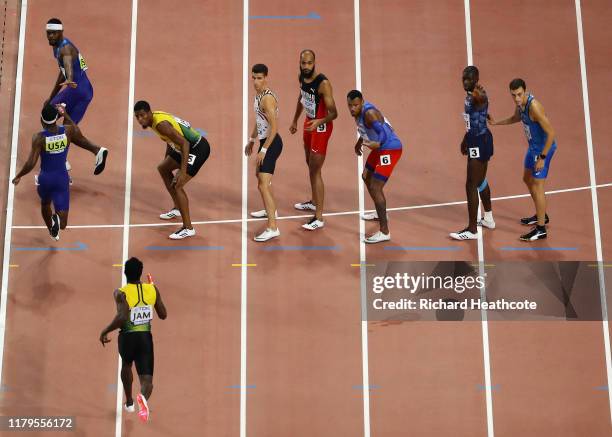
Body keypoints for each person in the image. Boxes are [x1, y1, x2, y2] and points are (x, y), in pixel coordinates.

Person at [12, 104, 108, 241]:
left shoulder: (38, 138)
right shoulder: (68, 132)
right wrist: (65, 114)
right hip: (62, 179)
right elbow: (77, 131)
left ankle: (52, 229)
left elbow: (31, 162)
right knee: (63, 224)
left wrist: (19, 175)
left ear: (41, 120)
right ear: (56, 118)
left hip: (45, 179)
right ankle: (56, 220)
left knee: (45, 204)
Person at [99, 257, 167, 423]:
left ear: (125, 273)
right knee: (147, 381)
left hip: (127, 338)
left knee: (126, 365)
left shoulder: (120, 293)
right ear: (141, 273)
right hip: (145, 338)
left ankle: (129, 402)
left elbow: (122, 317)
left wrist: (106, 330)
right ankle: (142, 397)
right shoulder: (152, 289)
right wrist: (155, 292)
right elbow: (163, 315)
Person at [488, 78, 557, 241]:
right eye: (513, 95)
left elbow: (552, 133)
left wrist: (542, 157)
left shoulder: (534, 107)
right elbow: (515, 118)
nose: (517, 98)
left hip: (543, 150)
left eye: (519, 94)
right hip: (533, 148)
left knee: (538, 185)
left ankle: (541, 229)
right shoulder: (521, 105)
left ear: (525, 91)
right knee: (526, 179)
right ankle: (542, 215)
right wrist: (496, 123)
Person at [133, 101, 211, 240]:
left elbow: (185, 143)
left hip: (197, 148)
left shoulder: (161, 125)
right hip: (182, 147)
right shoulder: (155, 119)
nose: (140, 120)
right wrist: (167, 160)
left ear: (149, 113)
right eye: (137, 117)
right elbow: (170, 141)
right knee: (163, 168)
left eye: (142, 115)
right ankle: (177, 208)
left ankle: (188, 228)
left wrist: (182, 170)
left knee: (178, 184)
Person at [44, 18, 102, 184]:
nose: (50, 36)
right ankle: (97, 151)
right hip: (85, 90)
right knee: (68, 128)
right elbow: (63, 72)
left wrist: (70, 79)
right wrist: (52, 95)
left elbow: (68, 66)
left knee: (46, 116)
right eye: (48, 33)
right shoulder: (57, 47)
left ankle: (60, 162)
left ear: (62, 32)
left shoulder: (65, 49)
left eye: (54, 33)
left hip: (75, 90)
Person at [287, 49, 338, 230]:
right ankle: (314, 201)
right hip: (309, 124)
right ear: (300, 63)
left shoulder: (323, 83)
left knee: (315, 170)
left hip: (321, 127)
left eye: (309, 63)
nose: (306, 66)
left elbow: (334, 113)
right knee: (309, 164)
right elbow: (302, 97)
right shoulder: (302, 77)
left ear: (314, 62)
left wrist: (319, 122)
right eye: (303, 63)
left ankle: (319, 217)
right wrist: (295, 120)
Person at [347, 90, 403, 244]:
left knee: (376, 187)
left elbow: (384, 132)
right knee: (366, 177)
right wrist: (359, 141)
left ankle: (385, 232)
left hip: (390, 148)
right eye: (350, 105)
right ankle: (380, 213)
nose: (352, 108)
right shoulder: (358, 113)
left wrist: (377, 143)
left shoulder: (369, 113)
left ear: (362, 102)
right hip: (379, 148)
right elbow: (363, 128)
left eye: (355, 105)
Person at [450, 66, 495, 241]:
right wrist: (465, 140)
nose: (465, 82)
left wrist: (478, 95)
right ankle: (489, 218)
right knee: (481, 180)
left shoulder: (478, 94)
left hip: (480, 142)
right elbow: (473, 121)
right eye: (463, 79)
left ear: (476, 79)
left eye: (469, 79)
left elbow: (482, 99)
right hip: (476, 140)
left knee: (470, 184)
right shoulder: (469, 95)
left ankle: (472, 230)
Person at [245, 64, 283, 242]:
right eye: (253, 77)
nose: (255, 81)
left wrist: (264, 150)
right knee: (260, 178)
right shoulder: (258, 95)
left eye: (259, 78)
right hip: (264, 141)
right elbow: (259, 121)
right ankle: (271, 209)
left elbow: (274, 128)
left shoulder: (267, 99)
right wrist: (252, 140)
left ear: (266, 77)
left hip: (272, 143)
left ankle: (272, 227)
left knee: (262, 184)